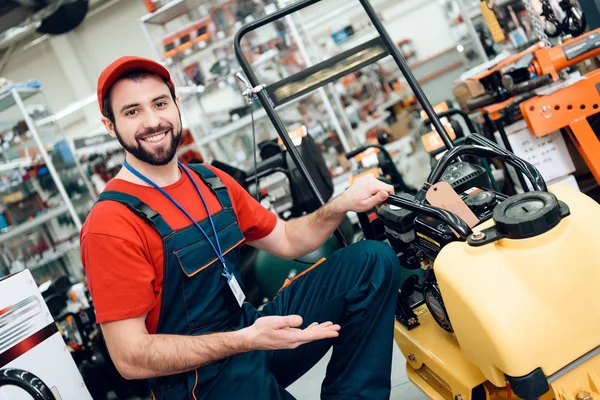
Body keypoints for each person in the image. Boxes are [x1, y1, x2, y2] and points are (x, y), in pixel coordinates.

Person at [81, 56, 401, 400]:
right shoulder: (110, 224)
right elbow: (130, 358)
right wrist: (245, 340)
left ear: (176, 104)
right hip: (199, 383)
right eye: (132, 112)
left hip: (252, 335)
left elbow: (290, 239)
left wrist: (341, 203)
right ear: (110, 125)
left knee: (371, 261)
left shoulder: (210, 181)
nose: (152, 120)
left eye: (160, 103)